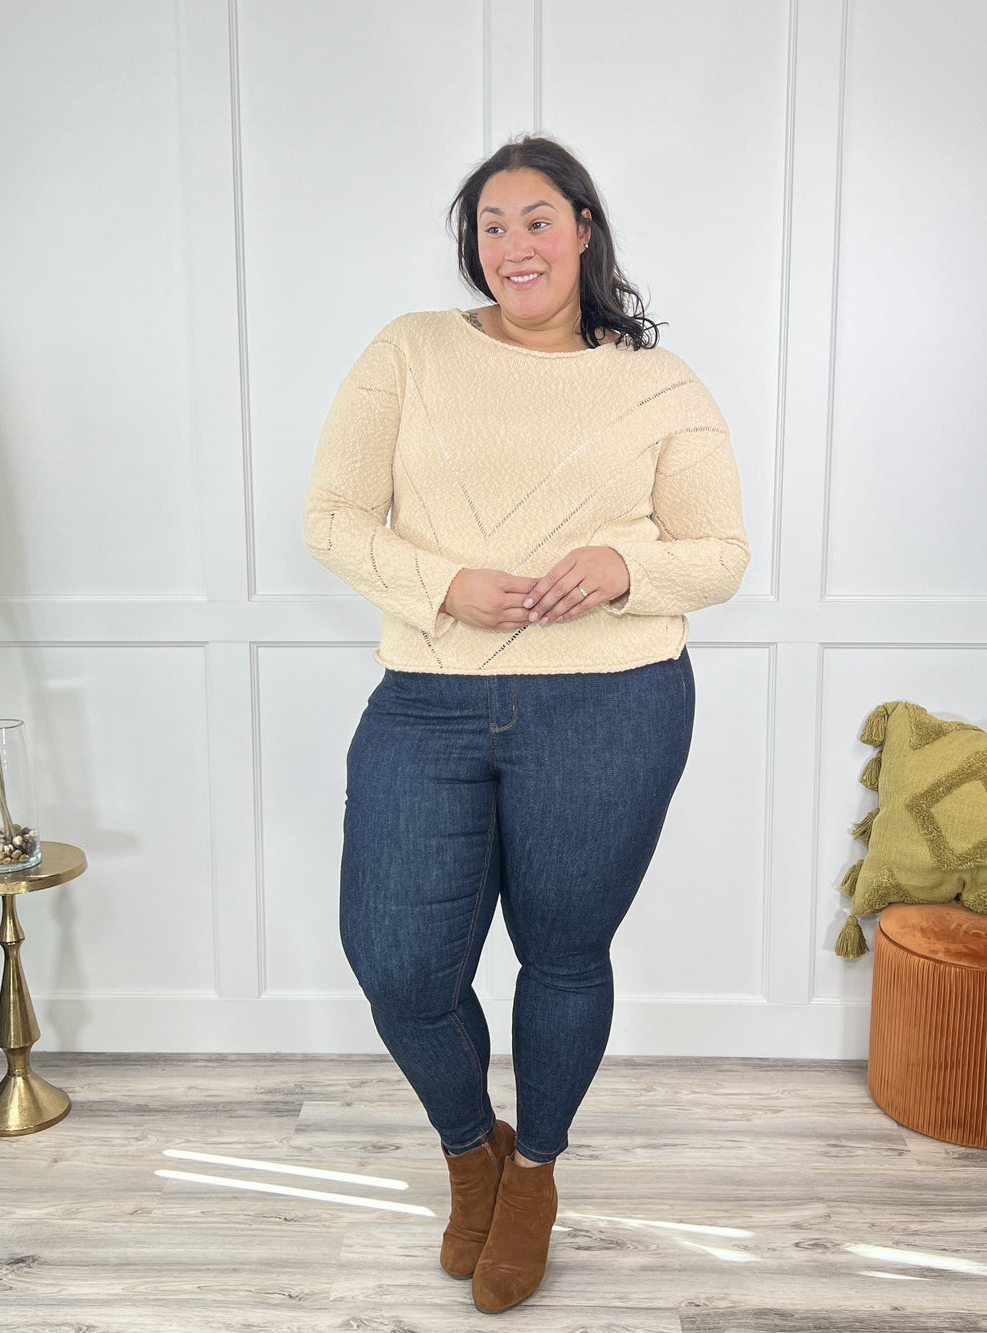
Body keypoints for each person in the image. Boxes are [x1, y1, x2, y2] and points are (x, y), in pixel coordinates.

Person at [303, 133, 751, 1315]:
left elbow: (718, 554)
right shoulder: (409, 350)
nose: (515, 245)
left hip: (612, 702)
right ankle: (473, 1152)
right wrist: (444, 584)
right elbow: (331, 513)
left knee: (561, 954)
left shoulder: (659, 384)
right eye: (491, 226)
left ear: (583, 229)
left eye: (537, 219)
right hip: (428, 697)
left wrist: (623, 565)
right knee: (397, 965)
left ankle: (536, 1172)